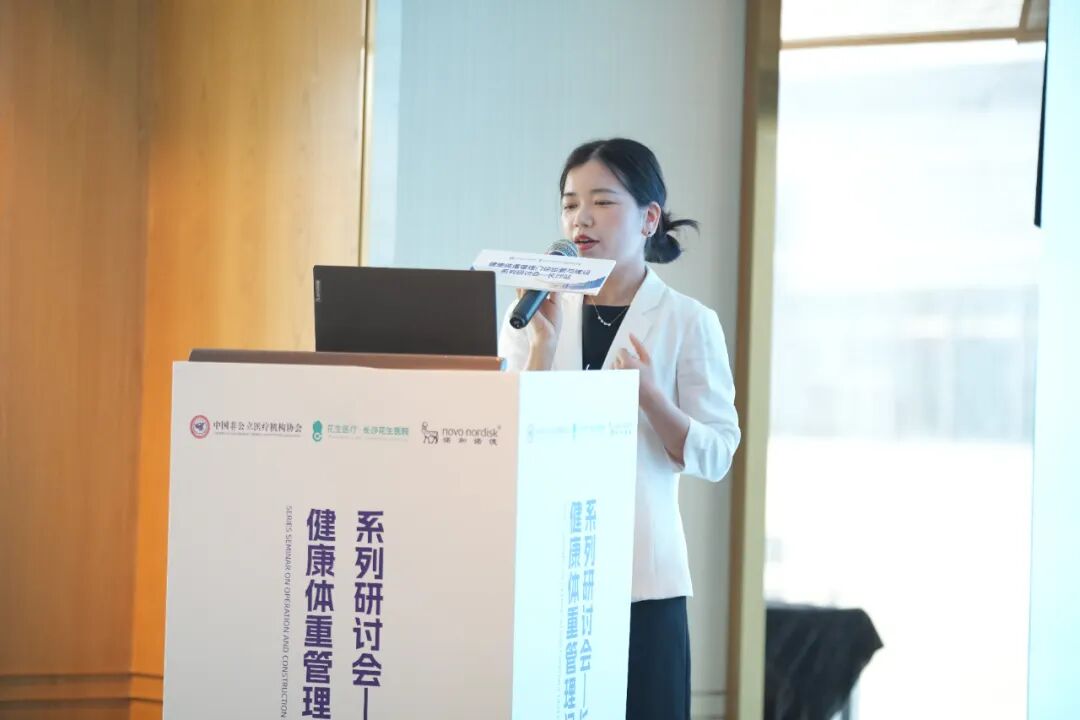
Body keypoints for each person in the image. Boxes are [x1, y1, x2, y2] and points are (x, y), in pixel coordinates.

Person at [498, 138, 741, 720]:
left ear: (649, 218)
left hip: (643, 583)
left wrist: (652, 397)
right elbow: (504, 440)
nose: (580, 218)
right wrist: (542, 352)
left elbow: (717, 453)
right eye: (570, 203)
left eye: (602, 201)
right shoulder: (537, 312)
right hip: (549, 577)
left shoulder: (688, 320)